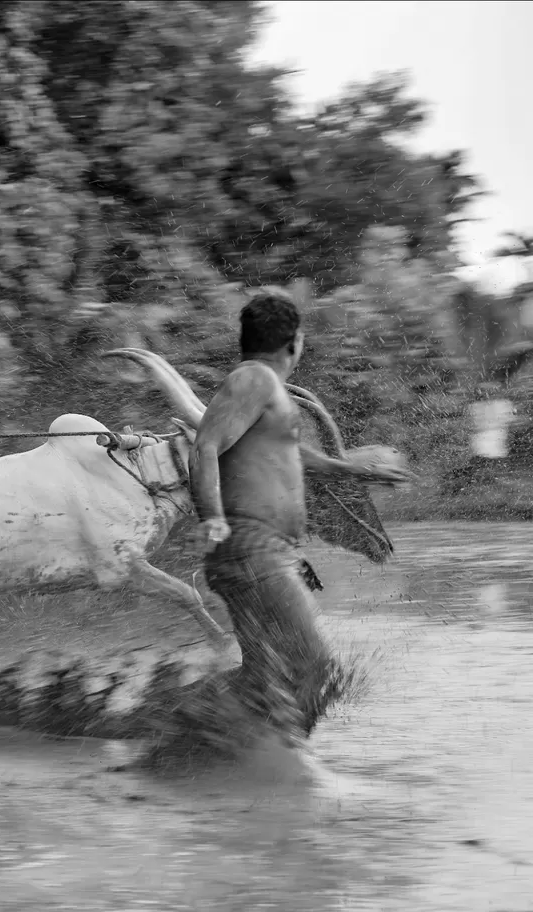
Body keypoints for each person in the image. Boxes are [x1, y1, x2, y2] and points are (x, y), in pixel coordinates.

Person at [190, 291, 414, 746]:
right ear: (296, 342)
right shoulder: (255, 378)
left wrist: (346, 468)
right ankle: (266, 762)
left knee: (266, 675)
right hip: (254, 548)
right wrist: (212, 516)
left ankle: (184, 731)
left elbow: (284, 449)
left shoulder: (264, 388)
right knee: (317, 671)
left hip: (268, 552)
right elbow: (205, 446)